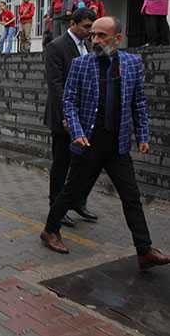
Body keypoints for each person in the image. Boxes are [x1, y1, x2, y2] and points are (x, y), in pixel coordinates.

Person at [41, 16, 170, 271]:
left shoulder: (132, 63)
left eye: (102, 36)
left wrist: (143, 136)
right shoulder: (81, 64)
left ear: (117, 39)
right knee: (71, 192)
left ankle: (144, 250)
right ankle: (50, 230)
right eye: (93, 35)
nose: (95, 40)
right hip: (88, 143)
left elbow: (139, 102)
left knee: (131, 197)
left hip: (117, 145)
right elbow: (69, 101)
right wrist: (76, 131)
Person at [44, 8, 98, 228]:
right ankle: (56, 207)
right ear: (73, 24)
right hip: (64, 118)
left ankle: (77, 201)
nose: (90, 31)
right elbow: (55, 85)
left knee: (85, 164)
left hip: (85, 117)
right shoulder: (56, 47)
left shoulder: (88, 46)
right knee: (62, 164)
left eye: (92, 27)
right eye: (86, 27)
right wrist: (68, 115)